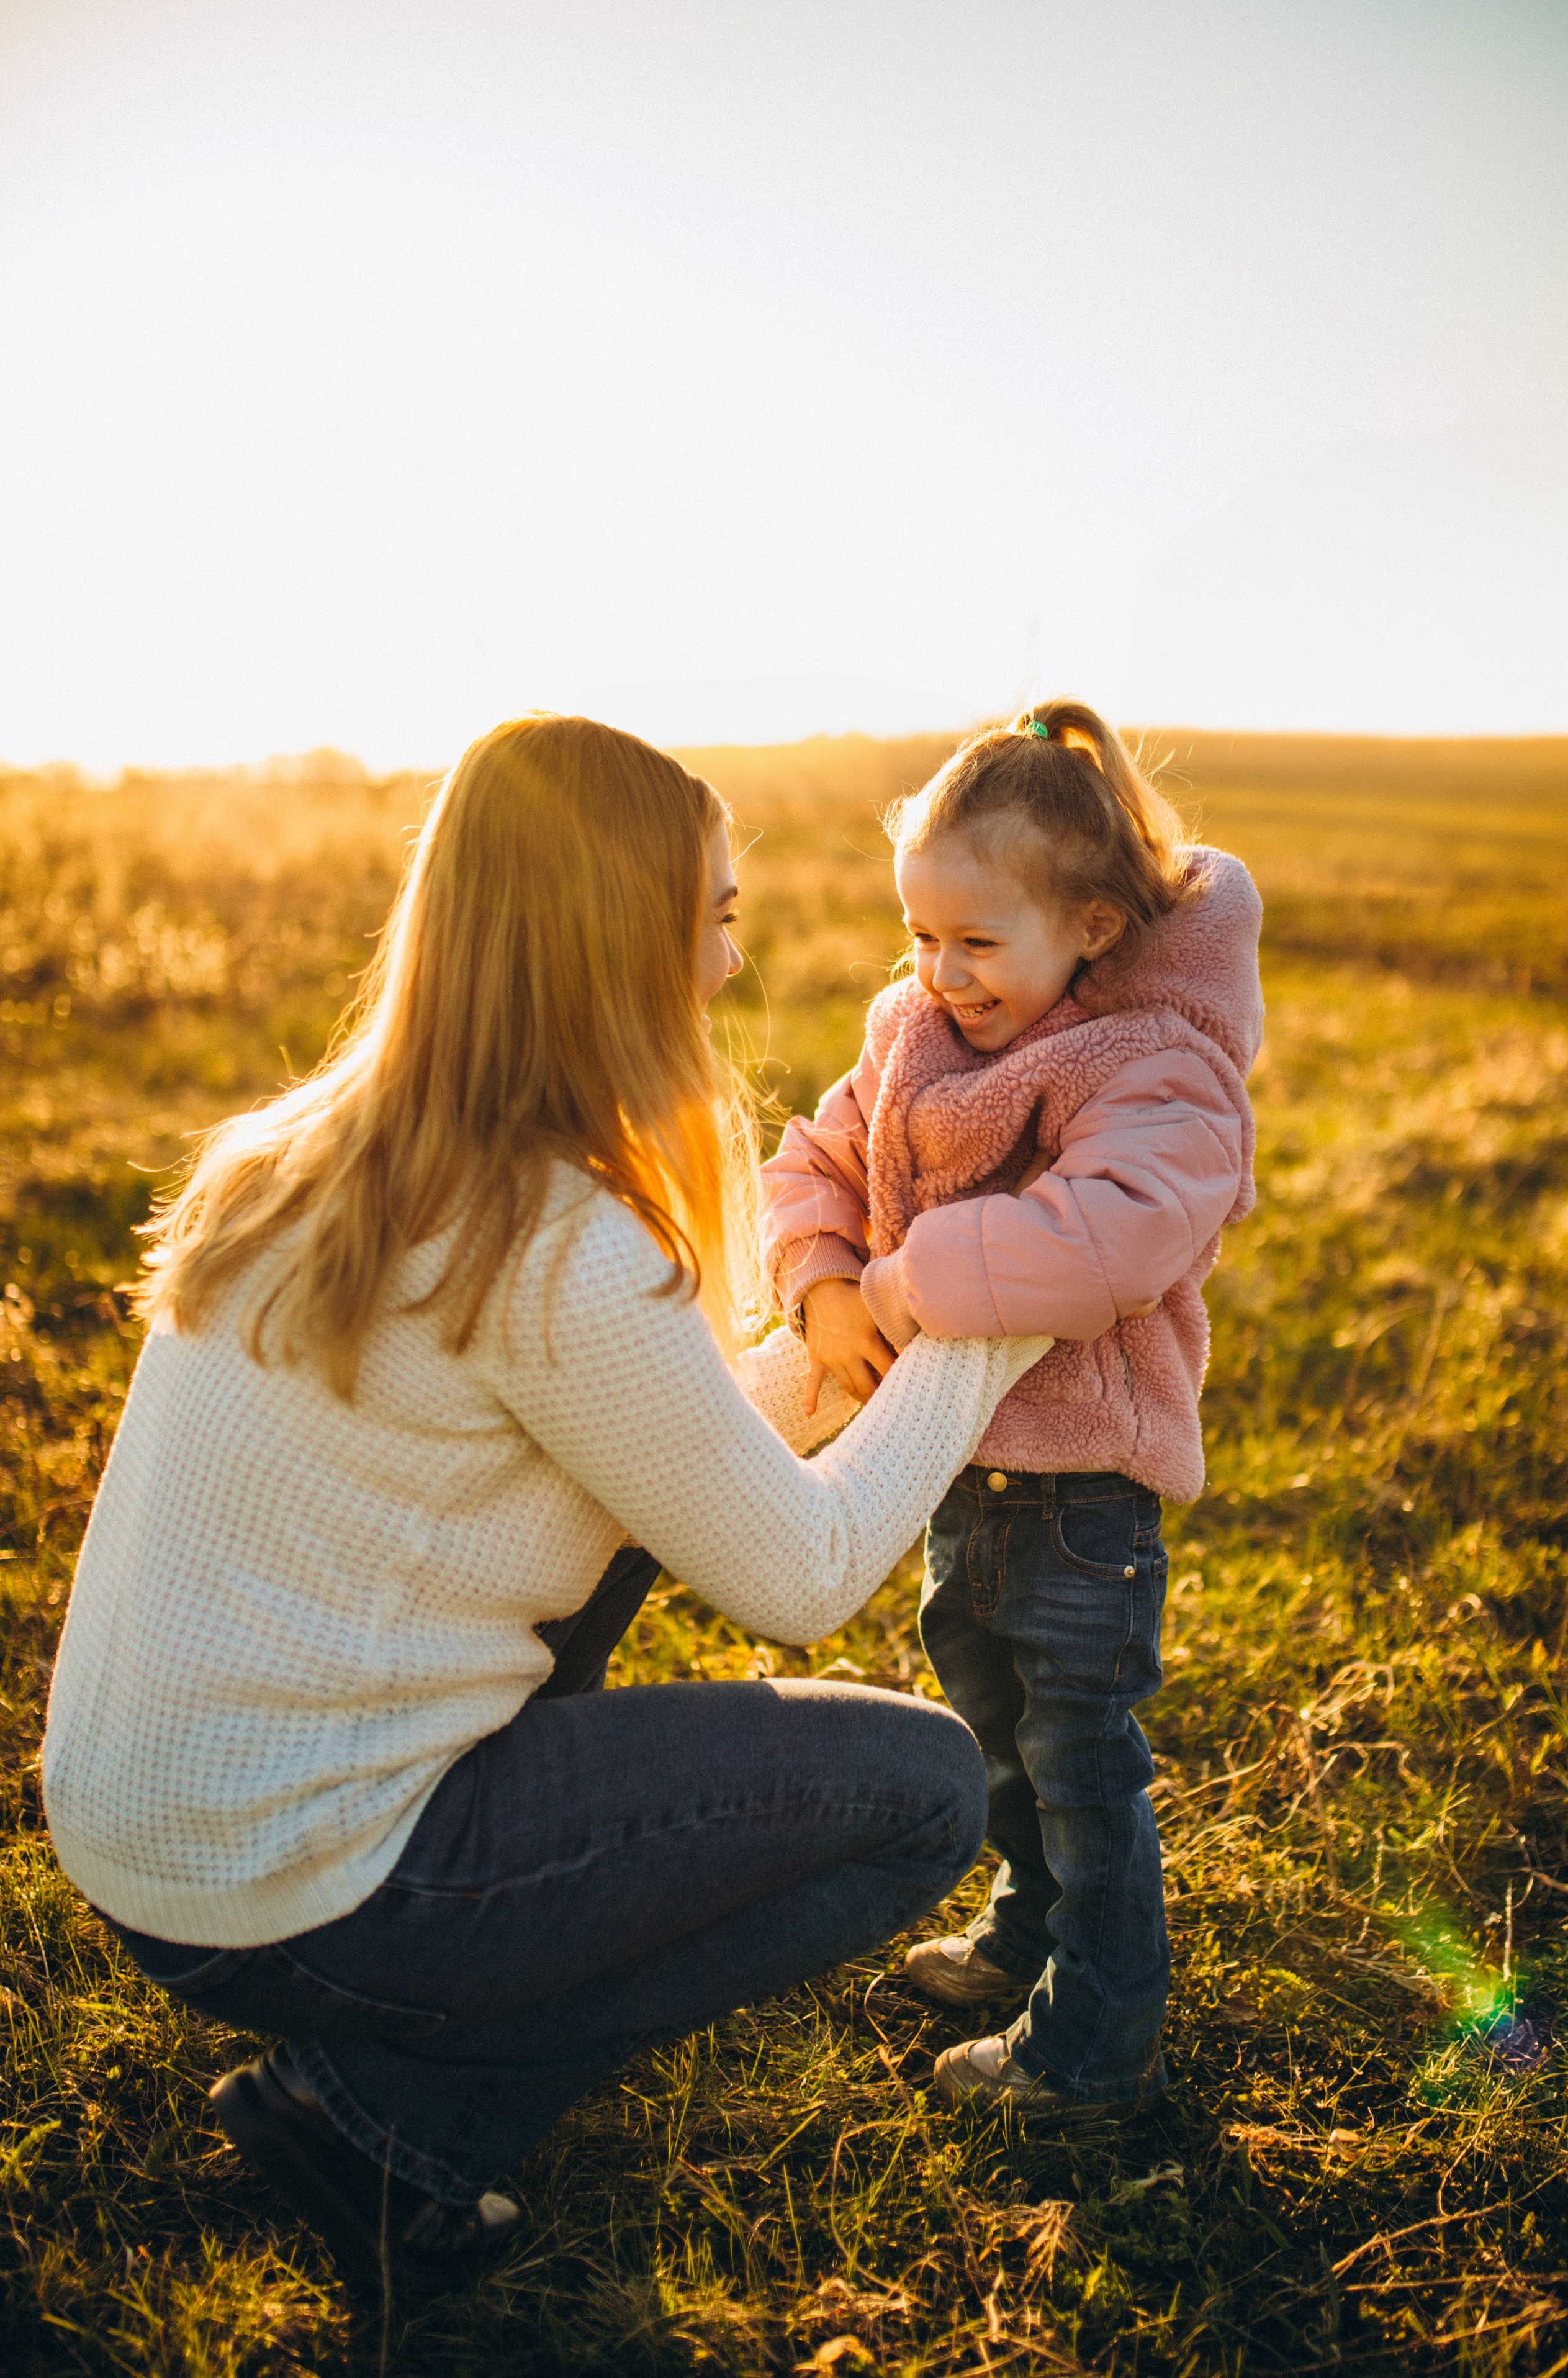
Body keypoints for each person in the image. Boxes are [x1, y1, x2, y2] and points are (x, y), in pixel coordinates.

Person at [40, 715, 1051, 2286]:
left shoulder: (314, 1152)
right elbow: (803, 1575)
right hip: (297, 1884)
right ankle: (392, 2119)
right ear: (613, 943)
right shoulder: (552, 1238)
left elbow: (643, 1429)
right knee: (920, 1791)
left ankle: (397, 2054)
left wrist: (843, 1342)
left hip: (148, 1837)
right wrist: (996, 1311)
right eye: (712, 917)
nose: (729, 962)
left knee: (644, 1554)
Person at [760, 699, 1262, 2117]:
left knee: (1079, 1759)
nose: (941, 973)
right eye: (918, 935)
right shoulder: (912, 1033)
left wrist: (904, 1281)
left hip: (1081, 1492)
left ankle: (1097, 2037)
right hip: (957, 1476)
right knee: (992, 1729)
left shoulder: (1155, 1061)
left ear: (1091, 924)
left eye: (976, 942)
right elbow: (812, 1160)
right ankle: (1028, 1930)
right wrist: (821, 1281)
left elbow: (1109, 1238)